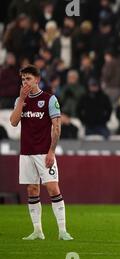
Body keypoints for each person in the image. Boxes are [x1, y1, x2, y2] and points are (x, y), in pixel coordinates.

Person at [9, 65, 73, 241]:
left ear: (37, 79)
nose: (25, 82)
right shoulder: (20, 100)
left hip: (44, 152)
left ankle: (62, 230)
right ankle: (37, 230)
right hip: (26, 153)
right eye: (23, 79)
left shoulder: (49, 99)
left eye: (28, 79)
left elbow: (57, 128)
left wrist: (51, 151)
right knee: (32, 189)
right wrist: (21, 99)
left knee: (53, 188)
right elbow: (14, 122)